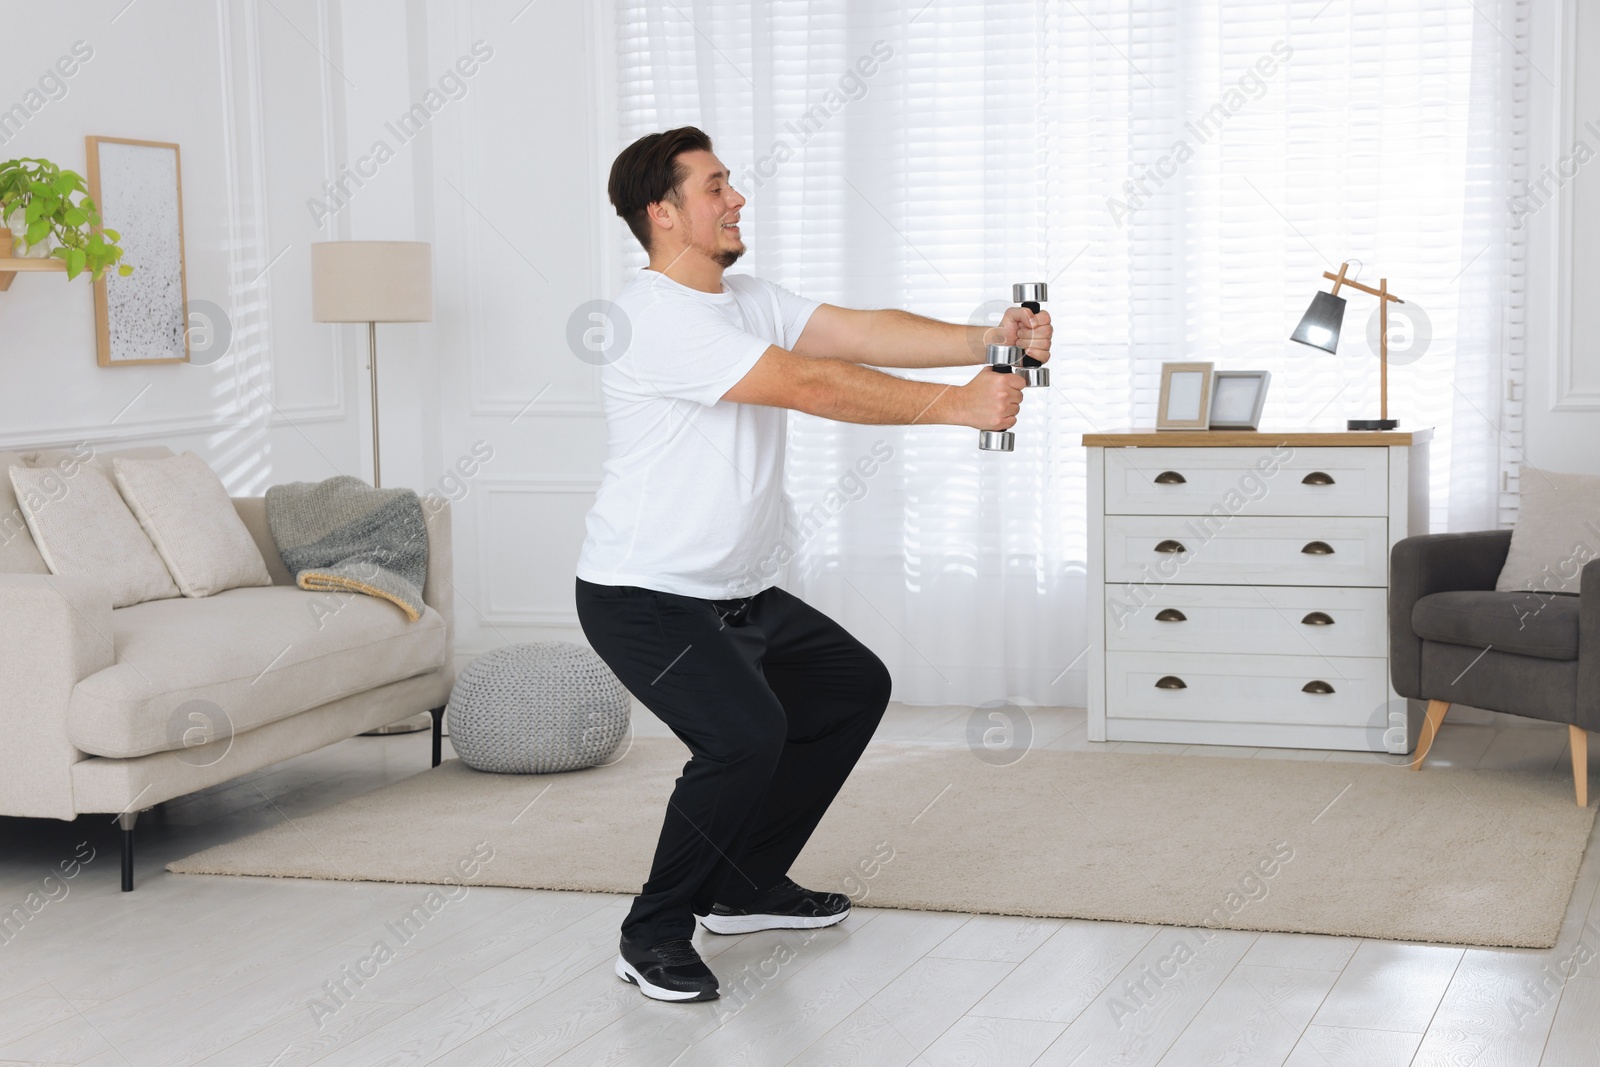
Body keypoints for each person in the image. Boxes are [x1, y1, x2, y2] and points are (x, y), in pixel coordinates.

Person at [574, 126, 1052, 1003]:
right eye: (715, 187)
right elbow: (809, 385)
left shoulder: (744, 297)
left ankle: (745, 883)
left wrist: (986, 338)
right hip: (643, 594)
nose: (737, 199)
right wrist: (960, 405)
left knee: (848, 686)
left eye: (732, 184)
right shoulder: (652, 317)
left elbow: (856, 332)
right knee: (742, 737)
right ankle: (652, 934)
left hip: (735, 592)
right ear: (663, 212)